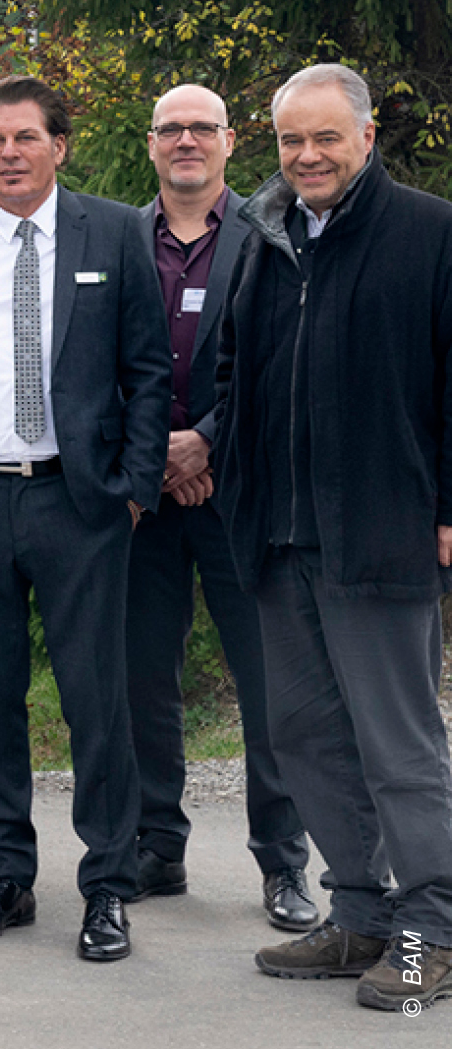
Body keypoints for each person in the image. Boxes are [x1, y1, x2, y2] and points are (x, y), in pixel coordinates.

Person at [0, 75, 169, 962]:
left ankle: (107, 887)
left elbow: (149, 369)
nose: (7, 153)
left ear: (59, 144)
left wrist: (132, 485)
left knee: (96, 701)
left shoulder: (115, 232)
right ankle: (7, 875)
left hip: (77, 502)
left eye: (24, 137)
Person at [213, 64, 452, 1010]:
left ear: (362, 137)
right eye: (288, 141)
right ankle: (359, 910)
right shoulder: (265, 238)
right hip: (278, 538)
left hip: (380, 534)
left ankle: (432, 926)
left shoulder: (428, 233)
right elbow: (236, 371)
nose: (305, 156)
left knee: (398, 746)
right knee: (306, 736)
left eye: (323, 138)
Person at [124, 84, 314, 928]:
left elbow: (282, 364)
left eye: (202, 128)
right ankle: (156, 849)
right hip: (140, 502)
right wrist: (154, 460)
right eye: (172, 129)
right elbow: (92, 364)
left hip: (241, 494)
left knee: (269, 684)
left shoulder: (271, 237)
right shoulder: (118, 239)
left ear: (230, 142)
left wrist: (205, 440)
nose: (187, 141)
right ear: (151, 145)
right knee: (142, 682)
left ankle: (283, 865)